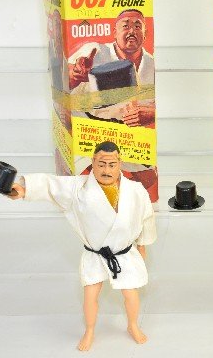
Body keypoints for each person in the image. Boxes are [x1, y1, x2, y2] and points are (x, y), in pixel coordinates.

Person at [10, 141, 157, 351]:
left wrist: (142, 245)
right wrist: (24, 190)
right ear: (93, 162)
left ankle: (133, 325)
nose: (106, 170)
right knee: (90, 296)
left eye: (112, 164)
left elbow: (146, 218)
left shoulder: (135, 190)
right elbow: (51, 186)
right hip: (95, 254)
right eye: (101, 164)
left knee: (130, 293)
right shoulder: (78, 188)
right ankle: (89, 330)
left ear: (120, 163)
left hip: (123, 253)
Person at [67, 9, 157, 201]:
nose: (131, 30)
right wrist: (75, 74)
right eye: (125, 26)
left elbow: (162, 106)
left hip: (125, 132)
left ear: (145, 33)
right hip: (89, 130)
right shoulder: (95, 51)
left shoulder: (153, 65)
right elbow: (64, 80)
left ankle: (122, 204)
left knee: (149, 180)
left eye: (137, 26)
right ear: (114, 33)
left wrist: (151, 114)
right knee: (86, 183)